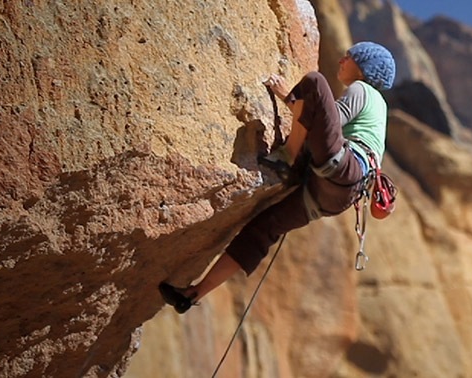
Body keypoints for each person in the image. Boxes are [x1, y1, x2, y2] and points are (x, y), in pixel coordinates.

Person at [159, 41, 396, 313]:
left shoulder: (361, 89)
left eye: (350, 57)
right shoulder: (380, 107)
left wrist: (288, 97)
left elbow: (328, 119)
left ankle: (287, 156)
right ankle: (191, 294)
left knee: (315, 82)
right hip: (338, 195)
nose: (342, 60)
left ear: (363, 69)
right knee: (263, 229)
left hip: (344, 167)